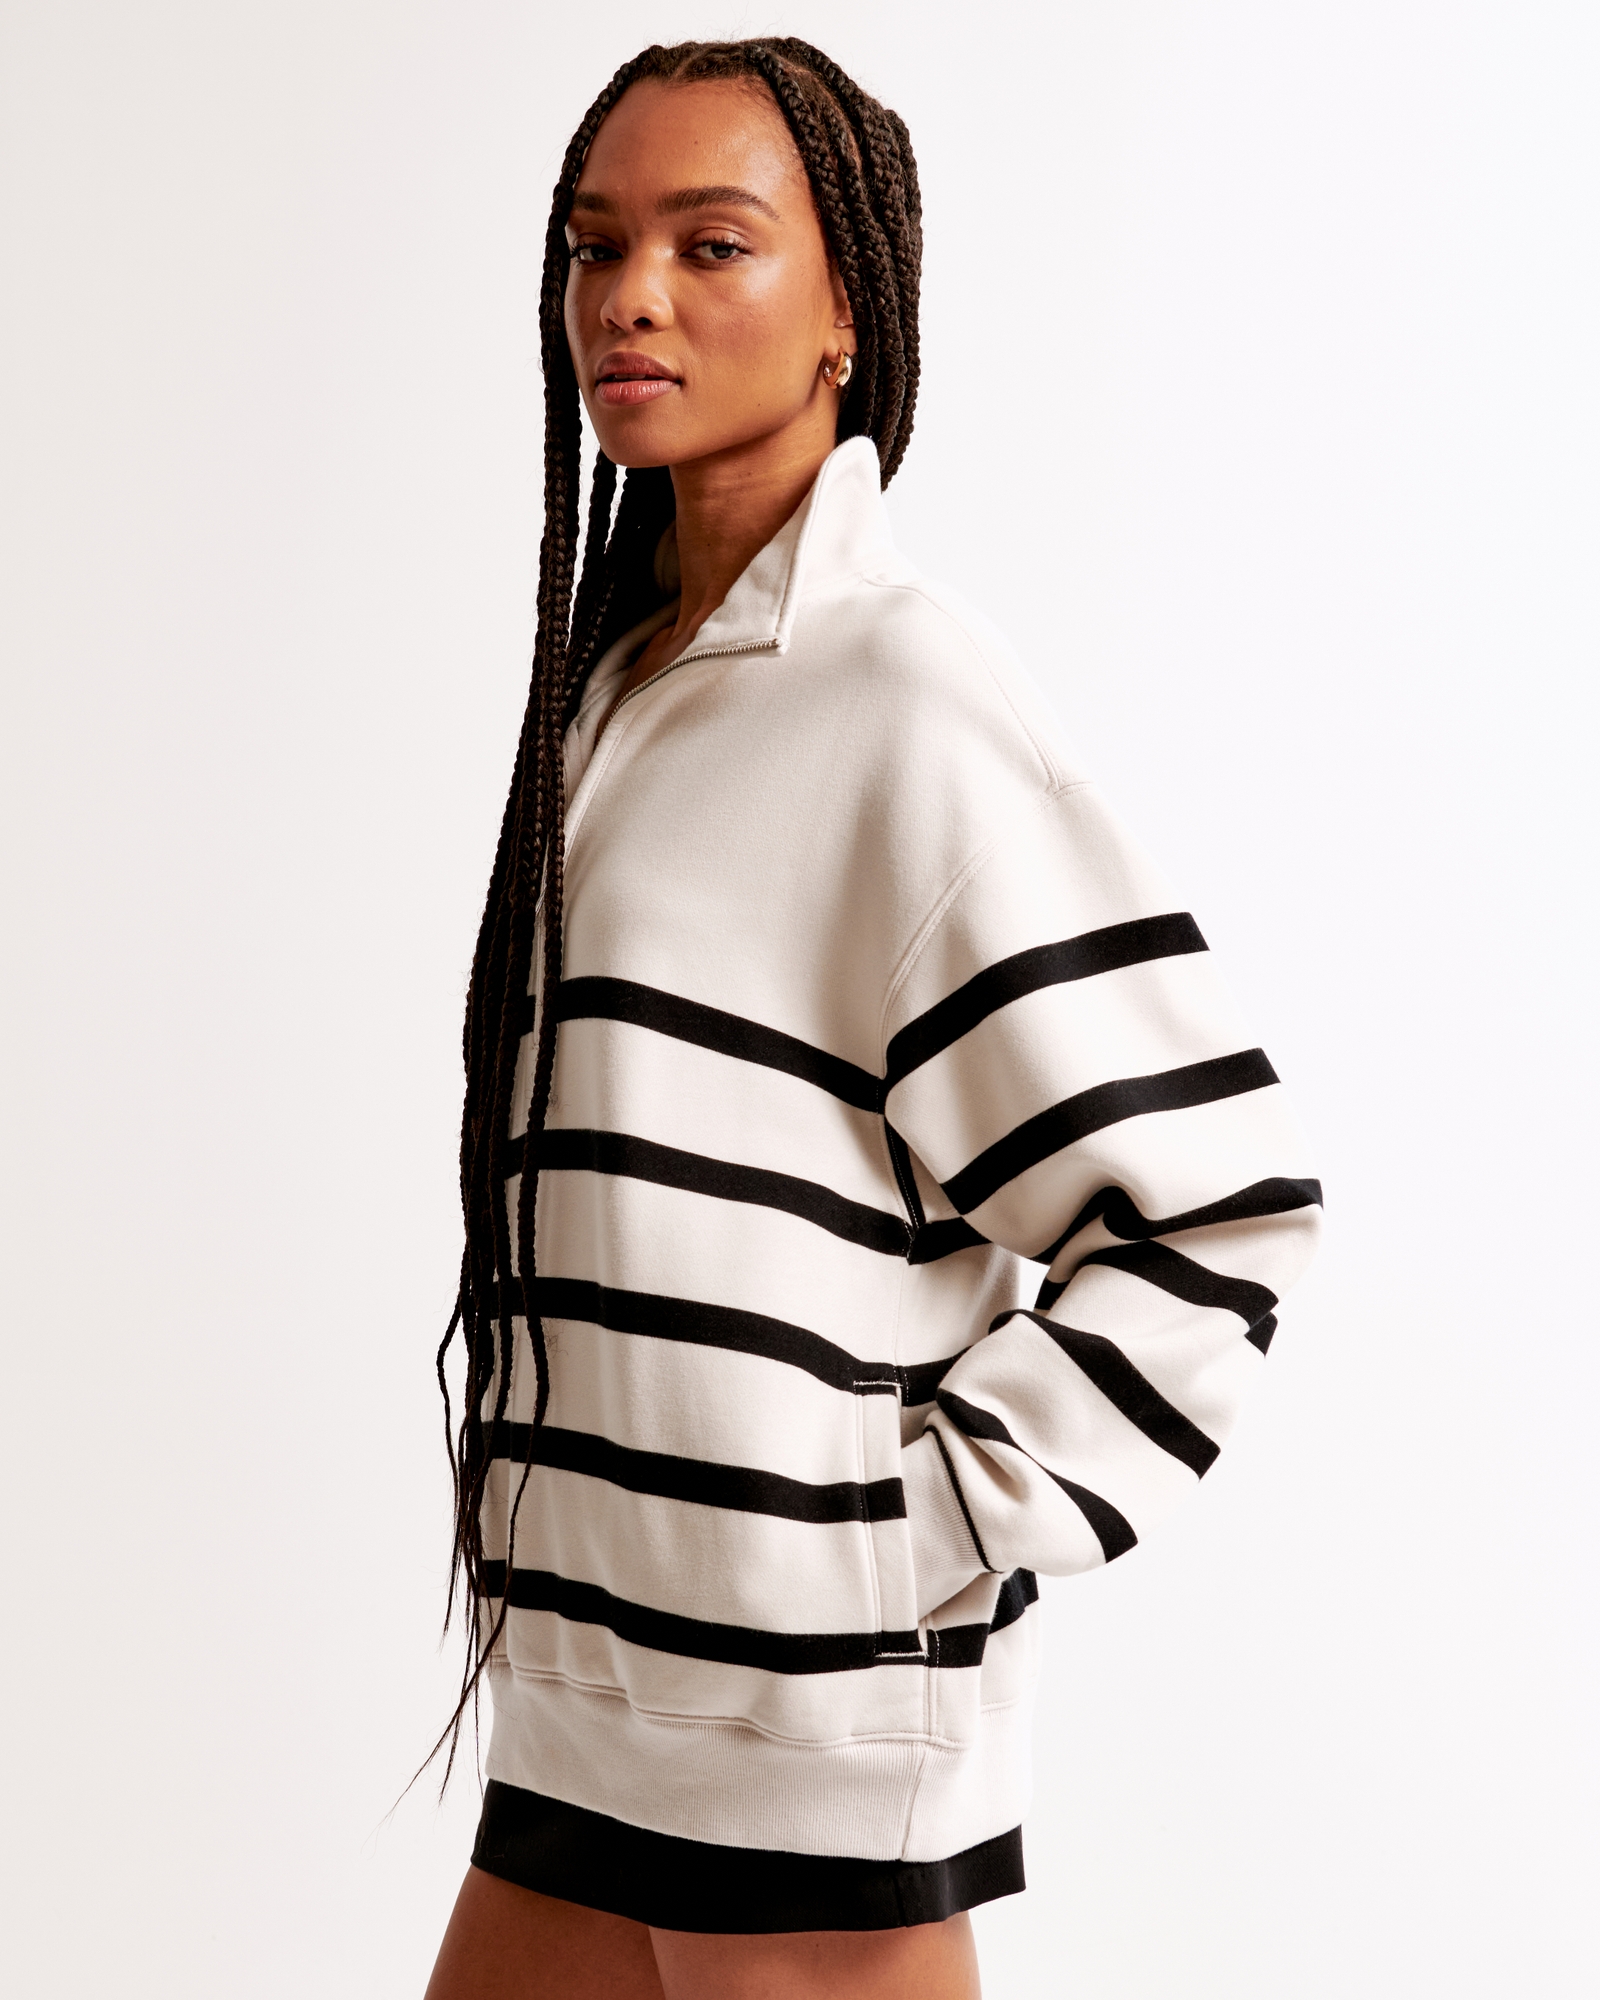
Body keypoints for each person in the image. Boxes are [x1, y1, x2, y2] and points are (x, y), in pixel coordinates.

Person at [422, 37, 1321, 2000]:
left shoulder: (908, 699)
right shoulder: (618, 688)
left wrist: (894, 1535)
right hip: (588, 1699)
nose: (630, 296)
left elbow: (1218, 1211)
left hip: (804, 1741)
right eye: (594, 245)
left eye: (709, 243)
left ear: (849, 313)